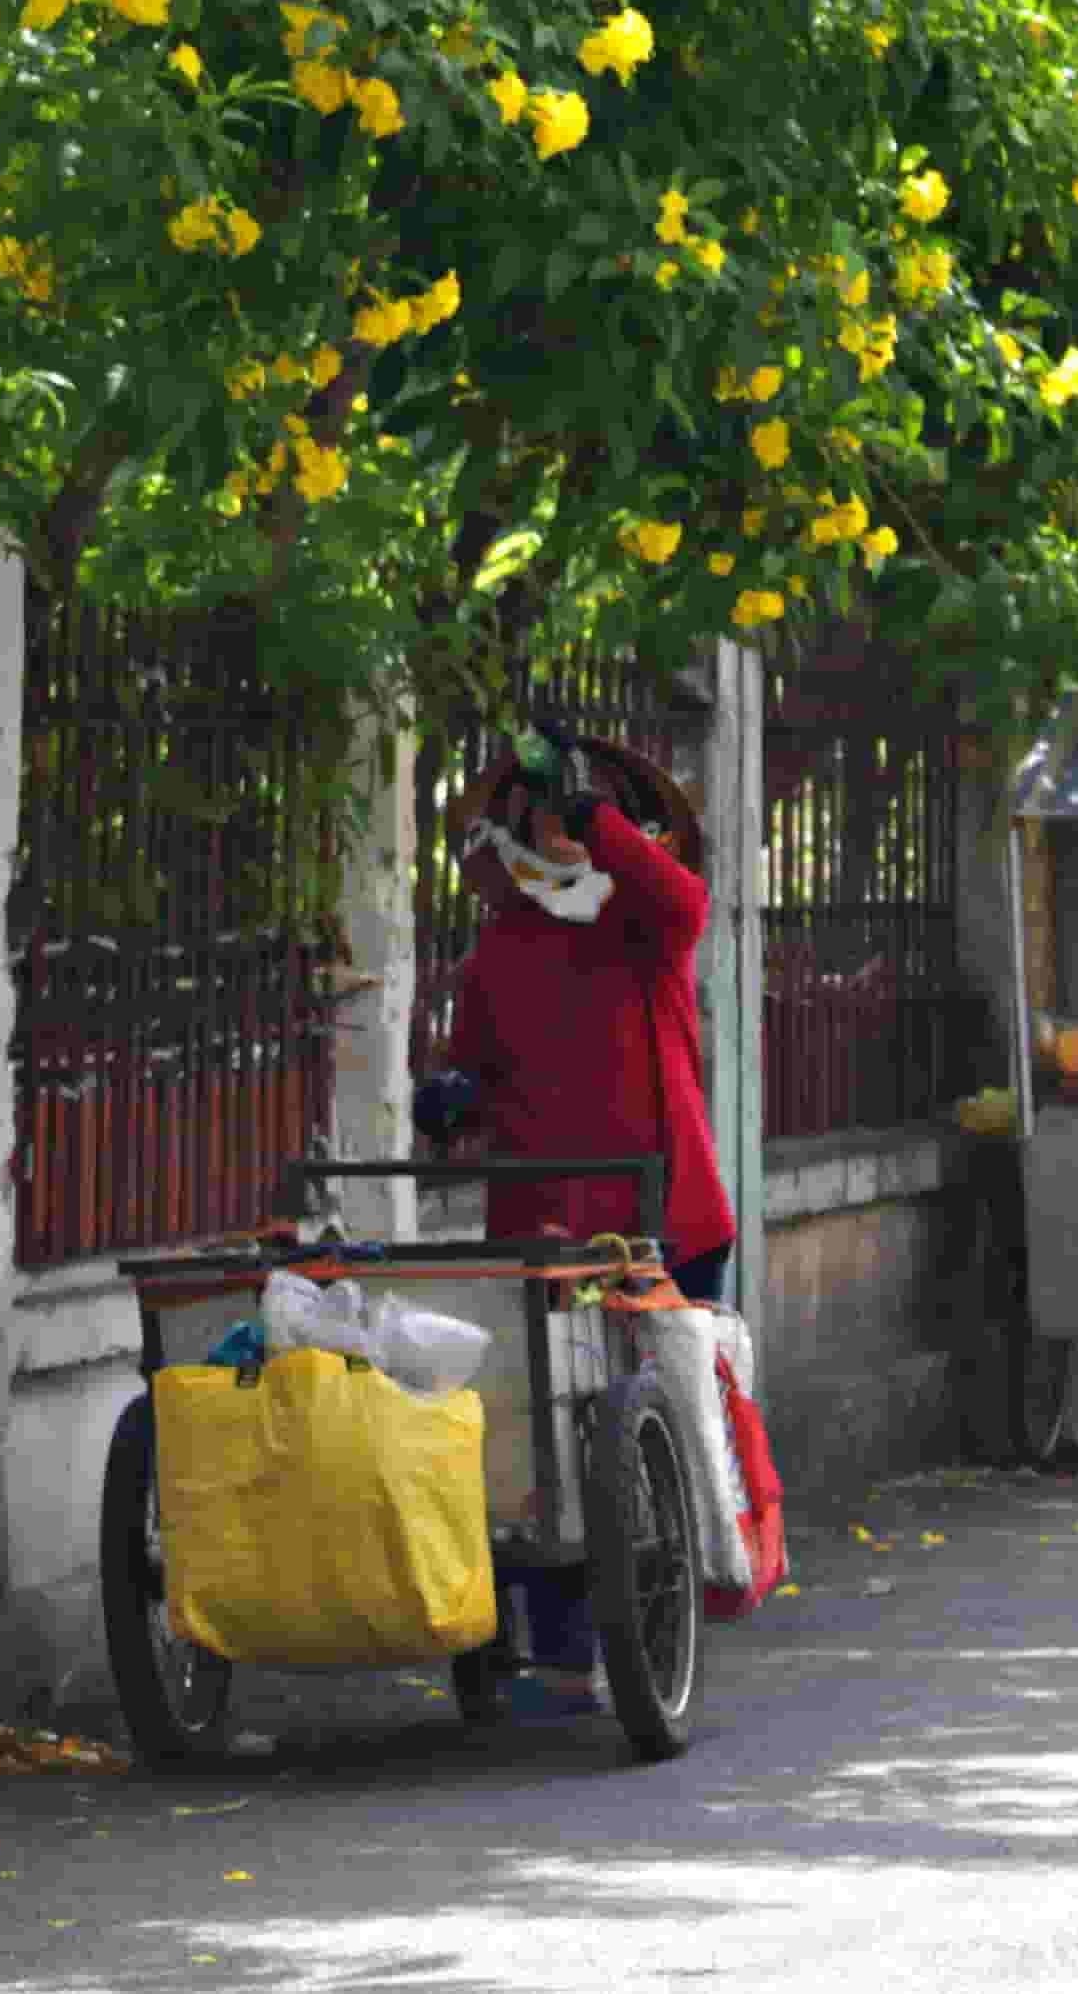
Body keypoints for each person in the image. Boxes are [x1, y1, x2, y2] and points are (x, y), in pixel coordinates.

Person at [414, 718, 734, 1710]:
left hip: (665, 1220)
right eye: (540, 824)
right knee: (541, 1438)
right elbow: (470, 1077)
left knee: (649, 1436)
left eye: (574, 827)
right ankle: (555, 1653)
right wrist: (450, 1098)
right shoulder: (497, 953)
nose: (555, 841)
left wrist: (592, 811)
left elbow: (680, 891)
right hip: (542, 1230)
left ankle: (657, 1612)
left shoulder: (650, 927)